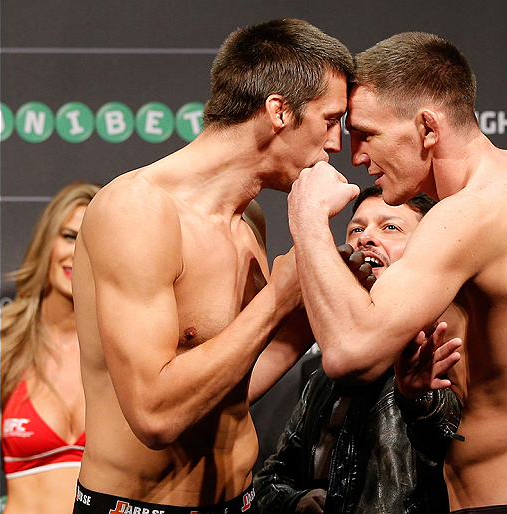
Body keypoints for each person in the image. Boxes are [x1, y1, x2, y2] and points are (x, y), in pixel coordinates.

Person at [287, 32, 507, 513]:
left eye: (367, 134)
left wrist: (306, 217)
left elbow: (351, 352)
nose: (356, 157)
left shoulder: (468, 214)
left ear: (428, 129)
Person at [71, 19, 354, 513]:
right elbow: (155, 416)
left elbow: (232, 386)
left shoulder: (249, 220)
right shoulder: (138, 212)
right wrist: (275, 300)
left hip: (238, 501)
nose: (336, 144)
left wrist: (315, 301)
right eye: (330, 120)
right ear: (279, 111)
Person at [254, 186, 463, 514]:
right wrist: (297, 502)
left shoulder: (447, 347)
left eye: (390, 227)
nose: (365, 238)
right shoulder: (326, 372)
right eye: (356, 229)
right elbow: (269, 481)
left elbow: (452, 455)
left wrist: (416, 398)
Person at [0, 182, 101, 514]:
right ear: (47, 241)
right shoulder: (6, 342)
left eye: (92, 241)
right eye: (70, 237)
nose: (78, 253)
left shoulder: (124, 348)